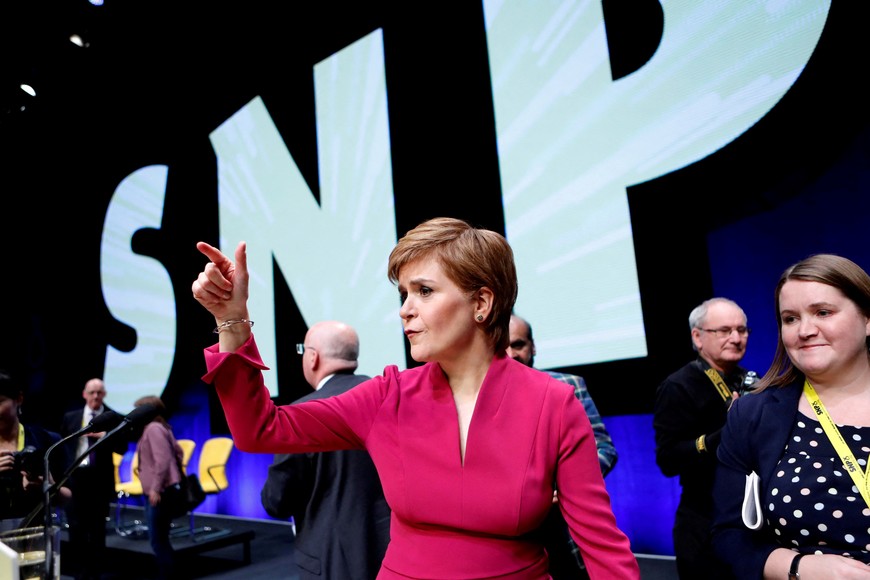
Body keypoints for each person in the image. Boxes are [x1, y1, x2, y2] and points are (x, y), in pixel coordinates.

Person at [191, 216, 640, 579]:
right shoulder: (388, 395)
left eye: (424, 291)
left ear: (482, 303)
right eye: (404, 293)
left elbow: (602, 547)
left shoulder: (554, 403)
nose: (405, 308)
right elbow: (259, 430)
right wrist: (233, 321)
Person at [712, 254, 870, 579]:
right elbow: (728, 535)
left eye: (822, 312)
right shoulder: (753, 415)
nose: (805, 330)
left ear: (867, 319)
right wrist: (798, 566)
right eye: (790, 319)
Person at [260, 320, 390, 580]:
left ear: (313, 357)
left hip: (331, 560)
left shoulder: (300, 415)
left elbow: (277, 501)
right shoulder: (390, 399)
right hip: (394, 552)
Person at [507, 313, 618, 579]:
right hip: (512, 538)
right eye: (503, 346)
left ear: (533, 347)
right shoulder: (478, 400)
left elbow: (604, 448)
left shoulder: (568, 386)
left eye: (518, 344)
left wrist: (566, 484)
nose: (511, 354)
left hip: (565, 528)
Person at [652, 297, 756, 579]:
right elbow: (668, 459)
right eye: (724, 331)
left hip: (755, 521)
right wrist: (723, 435)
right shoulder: (678, 386)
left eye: (742, 330)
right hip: (704, 523)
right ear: (697, 337)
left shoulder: (755, 383)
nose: (736, 338)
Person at [60, 377, 127, 580]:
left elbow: (122, 448)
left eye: (99, 392)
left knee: (97, 530)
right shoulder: (71, 418)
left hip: (99, 481)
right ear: (84, 394)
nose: (96, 396)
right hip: (75, 478)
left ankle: (96, 572)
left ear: (104, 395)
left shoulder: (113, 419)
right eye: (92, 392)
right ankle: (79, 570)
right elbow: (62, 446)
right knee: (75, 527)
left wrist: (105, 435)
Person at [0, 369, 71, 531]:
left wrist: (48, 487)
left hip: (34, 538)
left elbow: (67, 497)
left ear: (19, 399)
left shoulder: (48, 441)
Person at [134, 395, 184, 580]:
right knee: (161, 539)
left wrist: (155, 488)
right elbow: (179, 452)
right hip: (163, 490)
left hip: (159, 493)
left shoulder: (154, 429)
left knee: (158, 540)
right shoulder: (162, 427)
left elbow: (162, 461)